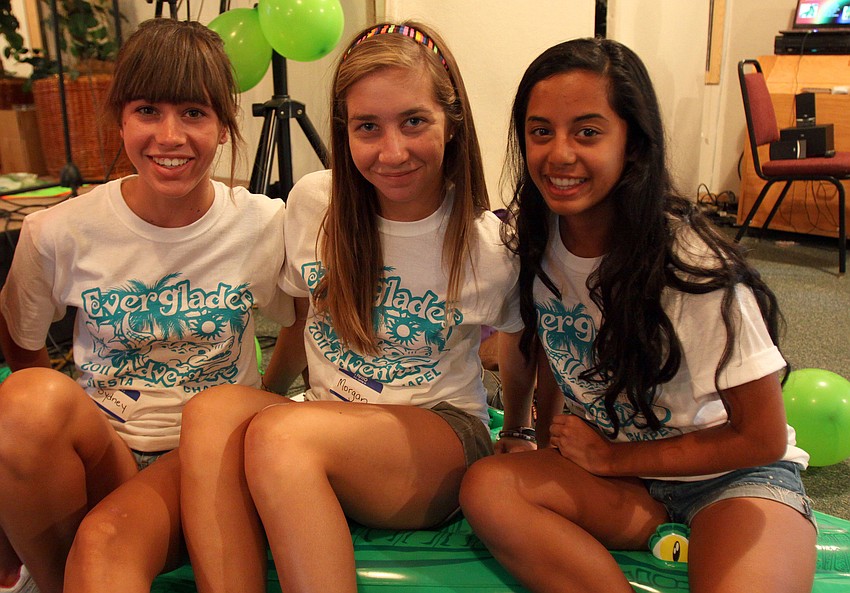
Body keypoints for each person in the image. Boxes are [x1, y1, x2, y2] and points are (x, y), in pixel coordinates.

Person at [178, 21, 527, 593]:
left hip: (437, 436)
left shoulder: (488, 242)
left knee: (281, 436)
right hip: (323, 414)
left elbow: (518, 339)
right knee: (211, 412)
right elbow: (301, 319)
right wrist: (267, 397)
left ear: (453, 121)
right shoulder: (315, 201)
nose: (392, 151)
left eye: (414, 121)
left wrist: (519, 429)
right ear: (345, 131)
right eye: (368, 126)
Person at [459, 38, 817, 593]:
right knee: (487, 487)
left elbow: (763, 438)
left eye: (587, 131)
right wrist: (529, 431)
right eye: (540, 131)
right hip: (624, 484)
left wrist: (611, 457)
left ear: (633, 142)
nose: (559, 154)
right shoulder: (532, 237)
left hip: (730, 480)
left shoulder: (691, 265)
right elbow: (547, 339)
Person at [0, 18, 295, 593]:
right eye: (147, 111)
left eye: (194, 113)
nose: (170, 137)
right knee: (25, 403)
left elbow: (298, 325)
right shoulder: (57, 231)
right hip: (103, 448)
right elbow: (21, 342)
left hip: (208, 456)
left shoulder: (264, 224)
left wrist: (262, 407)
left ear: (224, 124)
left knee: (107, 544)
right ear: (120, 119)